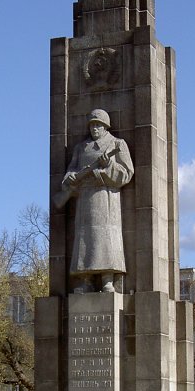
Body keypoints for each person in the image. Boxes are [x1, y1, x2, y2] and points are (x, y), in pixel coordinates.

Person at [60, 109, 133, 293]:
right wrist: (69, 178)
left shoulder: (116, 144)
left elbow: (126, 173)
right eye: (92, 124)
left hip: (105, 197)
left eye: (98, 124)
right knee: (85, 239)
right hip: (85, 198)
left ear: (105, 126)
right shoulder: (81, 148)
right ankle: (85, 280)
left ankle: (107, 279)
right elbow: (71, 171)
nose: (94, 128)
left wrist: (107, 166)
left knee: (106, 239)